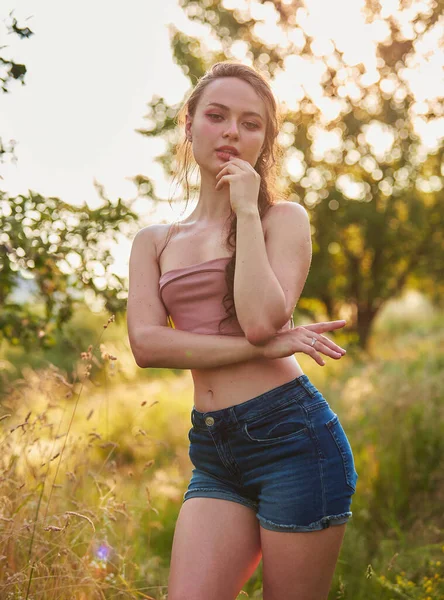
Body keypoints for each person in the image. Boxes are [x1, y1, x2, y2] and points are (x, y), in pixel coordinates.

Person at [127, 61, 358, 600]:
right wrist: (267, 346)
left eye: (251, 123)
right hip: (213, 449)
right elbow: (147, 344)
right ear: (189, 125)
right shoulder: (155, 241)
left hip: (294, 440)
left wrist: (245, 214)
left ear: (265, 141)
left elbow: (260, 322)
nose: (232, 131)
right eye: (217, 115)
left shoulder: (283, 221)